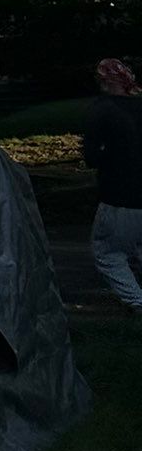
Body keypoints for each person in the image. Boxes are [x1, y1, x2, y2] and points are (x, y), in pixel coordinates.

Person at [81, 57, 142, 312]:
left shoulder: (102, 110)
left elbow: (92, 157)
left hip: (119, 195)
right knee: (138, 248)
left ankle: (136, 301)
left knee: (108, 252)